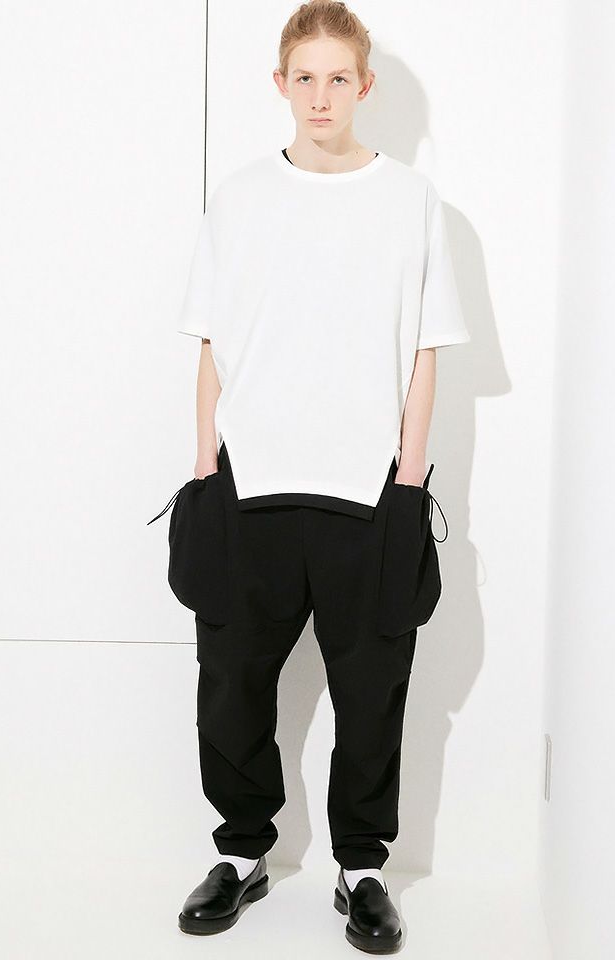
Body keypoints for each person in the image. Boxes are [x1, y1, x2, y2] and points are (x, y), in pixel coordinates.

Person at [171, 0, 469, 952]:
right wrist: (207, 464)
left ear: (365, 86)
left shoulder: (411, 200)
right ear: (280, 84)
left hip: (368, 488)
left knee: (373, 692)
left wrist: (409, 480)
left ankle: (362, 870)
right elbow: (211, 339)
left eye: (340, 78)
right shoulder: (240, 197)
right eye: (305, 77)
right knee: (231, 685)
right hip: (249, 483)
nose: (321, 95)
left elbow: (426, 349)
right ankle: (241, 852)